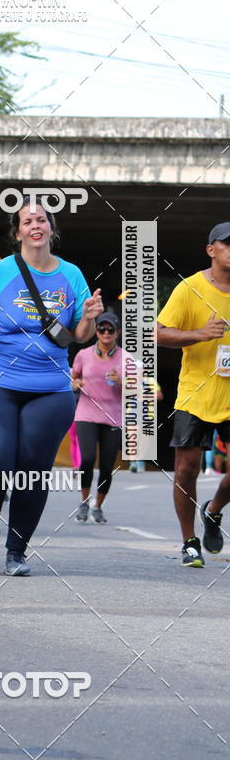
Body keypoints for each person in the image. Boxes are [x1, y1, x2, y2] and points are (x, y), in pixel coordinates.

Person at [0, 196, 103, 576]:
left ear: (52, 229)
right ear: (18, 232)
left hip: (50, 388)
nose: (35, 225)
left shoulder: (71, 275)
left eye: (42, 219)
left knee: (31, 469)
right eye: (28, 221)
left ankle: (17, 551)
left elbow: (78, 335)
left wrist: (88, 317)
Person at [157, 221, 230, 568]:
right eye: (226, 244)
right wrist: (200, 334)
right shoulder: (190, 289)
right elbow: (157, 334)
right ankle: (189, 540)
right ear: (211, 250)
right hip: (195, 394)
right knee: (186, 469)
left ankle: (213, 510)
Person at [71, 312, 127, 524]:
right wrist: (74, 384)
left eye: (110, 329)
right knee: (86, 459)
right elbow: (73, 377)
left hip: (113, 417)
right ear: (96, 331)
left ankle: (98, 506)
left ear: (117, 332)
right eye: (102, 329)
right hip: (86, 413)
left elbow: (137, 387)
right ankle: (84, 502)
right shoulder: (83, 355)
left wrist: (121, 380)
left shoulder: (126, 358)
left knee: (106, 464)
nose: (106, 333)